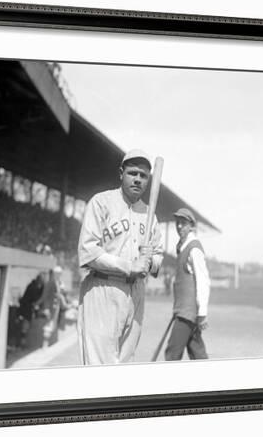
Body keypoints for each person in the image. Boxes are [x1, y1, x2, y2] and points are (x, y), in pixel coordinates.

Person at [77, 149, 164, 365]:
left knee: (126, 367)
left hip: (135, 293)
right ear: (121, 173)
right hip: (102, 287)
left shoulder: (150, 215)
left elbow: (158, 258)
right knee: (100, 368)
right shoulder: (101, 202)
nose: (138, 180)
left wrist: (150, 260)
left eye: (143, 176)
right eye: (133, 173)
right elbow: (88, 251)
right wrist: (129, 265)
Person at [164, 208, 211, 361]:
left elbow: (203, 281)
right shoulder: (182, 246)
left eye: (183, 223)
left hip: (187, 314)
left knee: (172, 354)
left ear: (191, 226)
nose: (179, 226)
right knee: (198, 354)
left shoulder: (194, 248)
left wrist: (202, 313)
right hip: (184, 311)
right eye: (177, 223)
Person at [18, 272, 46, 348]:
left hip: (29, 309)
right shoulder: (32, 287)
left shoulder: (39, 287)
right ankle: (22, 343)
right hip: (26, 309)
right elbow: (34, 299)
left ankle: (24, 343)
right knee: (25, 327)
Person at [40, 266, 64, 348]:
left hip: (56, 307)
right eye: (58, 273)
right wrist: (46, 308)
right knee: (48, 324)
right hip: (50, 307)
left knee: (53, 324)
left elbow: (59, 294)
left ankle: (51, 342)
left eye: (60, 274)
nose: (59, 275)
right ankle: (45, 343)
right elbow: (45, 296)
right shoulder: (50, 283)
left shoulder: (58, 283)